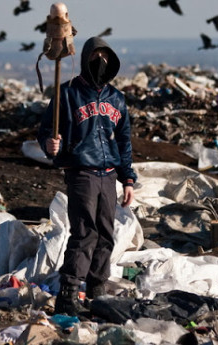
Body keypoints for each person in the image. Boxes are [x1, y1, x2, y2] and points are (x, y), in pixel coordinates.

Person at [37, 36, 137, 315]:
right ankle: (68, 293)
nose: (100, 63)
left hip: (108, 175)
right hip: (81, 171)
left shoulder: (116, 99)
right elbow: (46, 132)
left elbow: (124, 141)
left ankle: (96, 288)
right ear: (85, 59)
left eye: (106, 58)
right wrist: (51, 146)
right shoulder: (67, 94)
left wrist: (127, 179)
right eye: (96, 57)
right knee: (84, 232)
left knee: (106, 232)